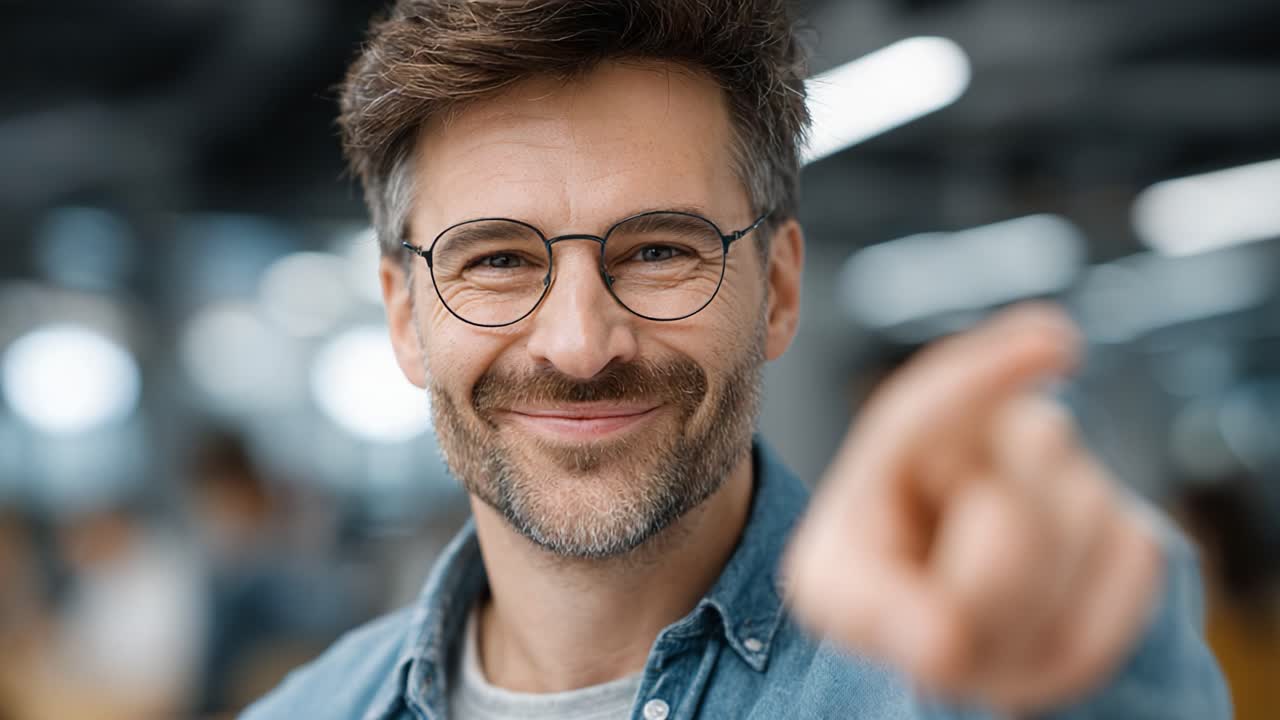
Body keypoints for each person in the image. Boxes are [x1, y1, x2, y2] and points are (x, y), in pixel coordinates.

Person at [244, 1, 1229, 718]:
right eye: (497, 260)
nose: (581, 345)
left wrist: (1087, 661)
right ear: (406, 316)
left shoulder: (947, 686)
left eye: (662, 251)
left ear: (779, 289)